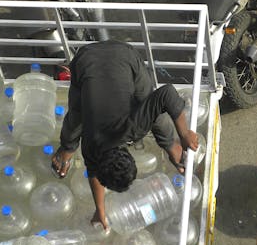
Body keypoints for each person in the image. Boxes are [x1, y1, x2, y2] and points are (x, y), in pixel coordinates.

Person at [51, 40, 199, 230]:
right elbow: (94, 173)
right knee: (77, 115)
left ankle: (171, 145)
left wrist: (183, 134)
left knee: (148, 103)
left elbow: (167, 94)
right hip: (92, 59)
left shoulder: (133, 128)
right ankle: (67, 148)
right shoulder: (91, 145)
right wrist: (100, 211)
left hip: (114, 59)